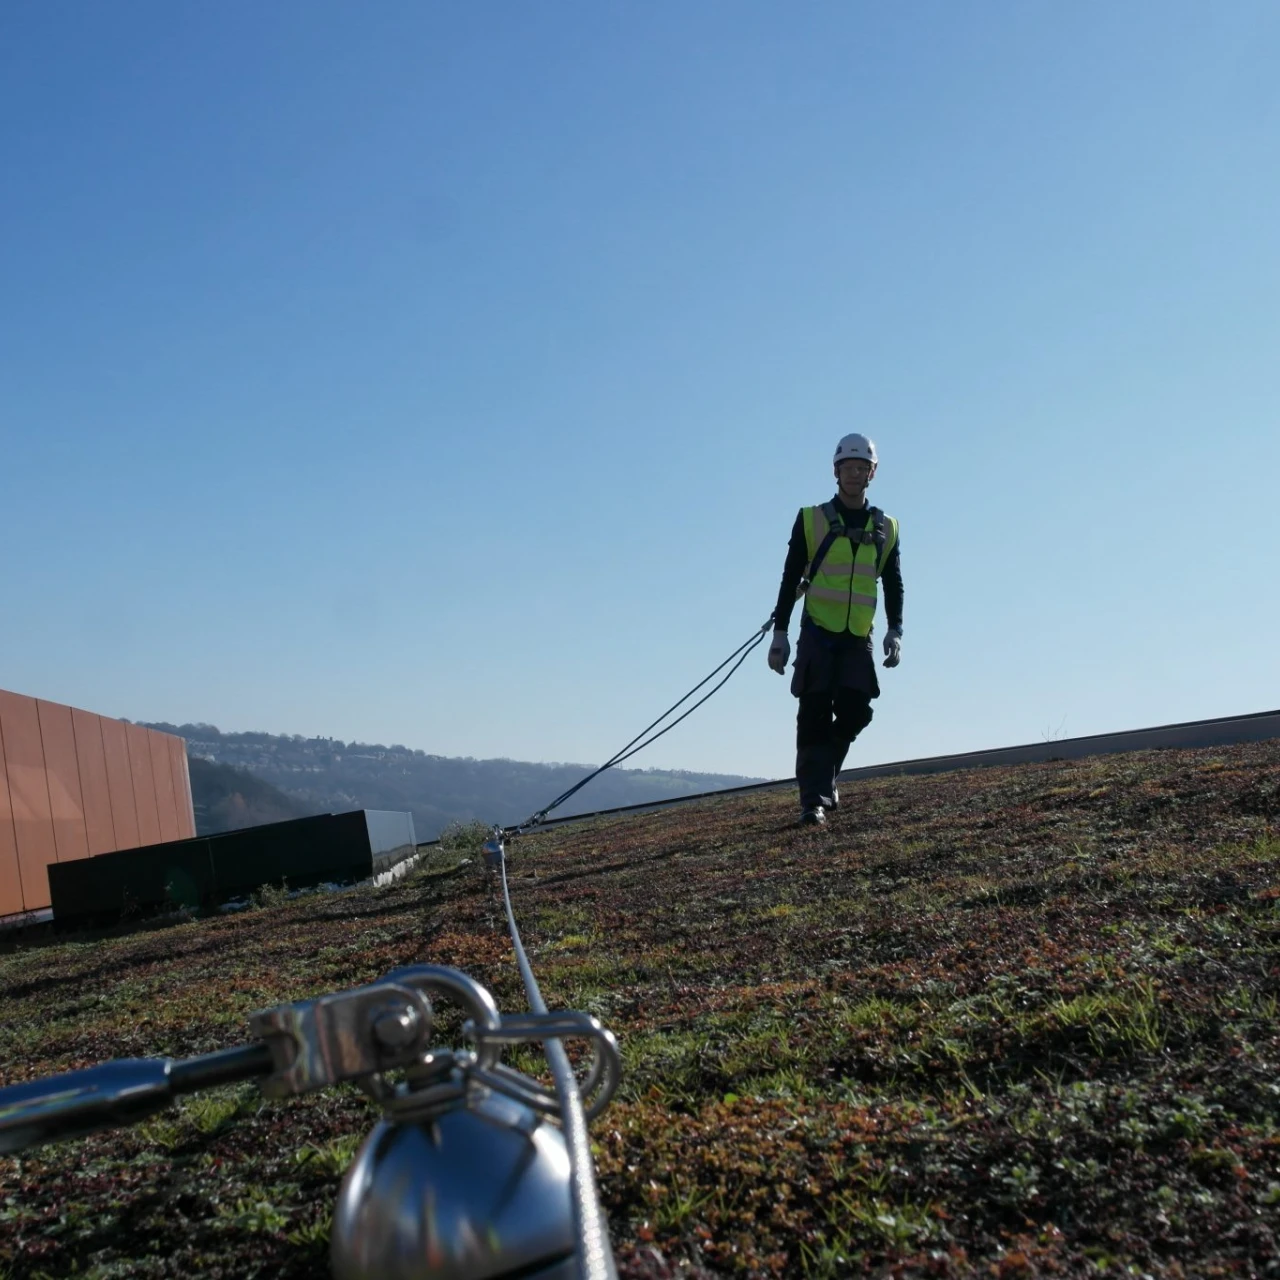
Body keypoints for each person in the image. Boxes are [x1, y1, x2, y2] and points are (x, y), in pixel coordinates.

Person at [766, 434, 904, 825]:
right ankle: (813, 802)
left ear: (872, 473)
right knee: (812, 714)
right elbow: (790, 576)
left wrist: (896, 630)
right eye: (848, 468)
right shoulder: (810, 518)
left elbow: (893, 582)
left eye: (863, 468)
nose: (855, 475)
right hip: (817, 631)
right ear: (836, 472)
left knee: (856, 711)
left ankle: (824, 778)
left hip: (859, 635)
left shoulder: (887, 527)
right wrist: (780, 634)